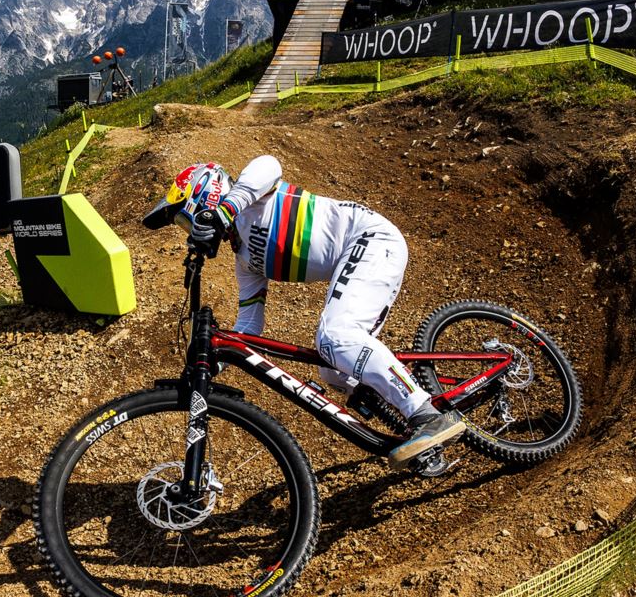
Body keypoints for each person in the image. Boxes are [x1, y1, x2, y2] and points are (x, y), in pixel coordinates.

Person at [144, 158, 467, 471]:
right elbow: (250, 325)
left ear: (206, 194)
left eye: (187, 220)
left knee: (336, 336)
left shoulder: (253, 195)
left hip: (371, 240)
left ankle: (426, 414)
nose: (190, 231)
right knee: (335, 372)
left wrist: (224, 212)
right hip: (357, 254)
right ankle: (415, 434)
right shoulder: (244, 261)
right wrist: (215, 364)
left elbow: (269, 165)